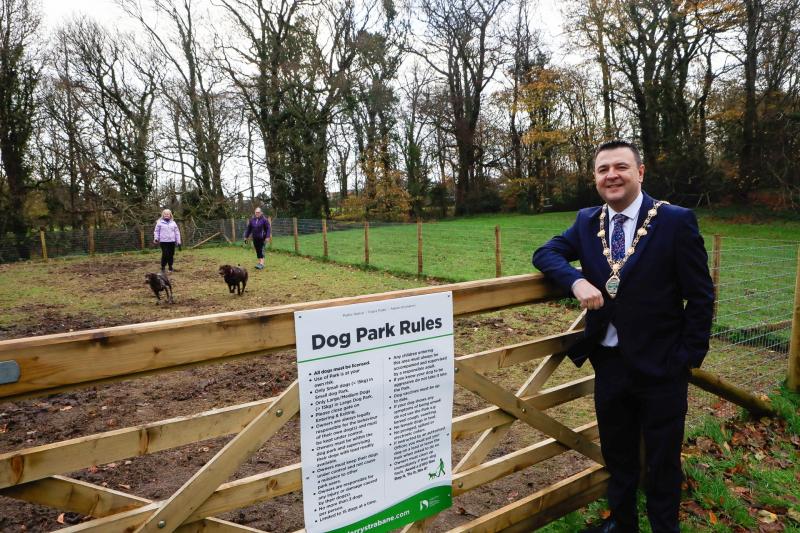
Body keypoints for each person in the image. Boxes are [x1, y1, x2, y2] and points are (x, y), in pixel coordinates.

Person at [532, 140, 714, 533]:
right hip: (610, 362)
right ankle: (622, 523)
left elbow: (701, 295)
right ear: (595, 178)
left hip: (663, 366)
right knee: (618, 453)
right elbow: (545, 253)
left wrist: (686, 358)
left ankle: (665, 527)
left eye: (620, 167)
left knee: (663, 459)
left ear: (640, 172)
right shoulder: (587, 221)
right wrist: (576, 280)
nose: (611, 175)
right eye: (602, 170)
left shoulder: (675, 221)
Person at [153, 209, 182, 273]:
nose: (166, 215)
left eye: (168, 214)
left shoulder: (173, 223)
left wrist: (178, 242)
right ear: (163, 215)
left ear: (170, 215)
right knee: (165, 254)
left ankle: (170, 267)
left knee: (171, 254)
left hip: (172, 241)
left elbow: (177, 232)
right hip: (163, 242)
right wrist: (156, 238)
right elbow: (156, 231)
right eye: (165, 214)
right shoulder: (159, 223)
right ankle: (163, 266)